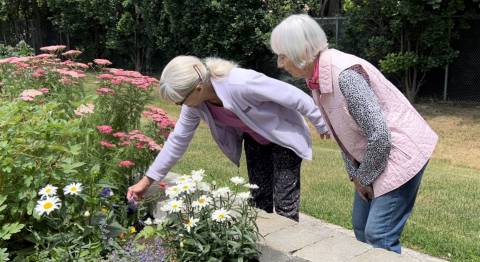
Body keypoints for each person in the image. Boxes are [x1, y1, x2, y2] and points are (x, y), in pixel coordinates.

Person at [270, 14, 438, 252]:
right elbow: (342, 135)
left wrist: (363, 177)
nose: (279, 63)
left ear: (302, 51)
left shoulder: (344, 76)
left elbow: (380, 135)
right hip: (376, 154)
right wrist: (355, 176)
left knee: (379, 234)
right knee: (360, 228)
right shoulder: (317, 78)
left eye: (283, 55)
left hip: (401, 151)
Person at [127, 55, 329, 221]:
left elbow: (295, 96)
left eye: (180, 102)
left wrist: (321, 124)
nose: (181, 107)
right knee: (259, 201)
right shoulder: (195, 104)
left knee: (285, 205)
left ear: (197, 89)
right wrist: (146, 182)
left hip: (284, 137)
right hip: (255, 141)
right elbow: (177, 142)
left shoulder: (240, 82)